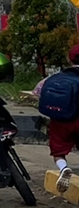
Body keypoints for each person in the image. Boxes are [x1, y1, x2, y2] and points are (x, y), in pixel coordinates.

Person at [36, 41, 79, 185]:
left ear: (70, 59)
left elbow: (38, 91)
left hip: (60, 122)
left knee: (58, 152)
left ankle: (64, 168)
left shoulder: (56, 77)